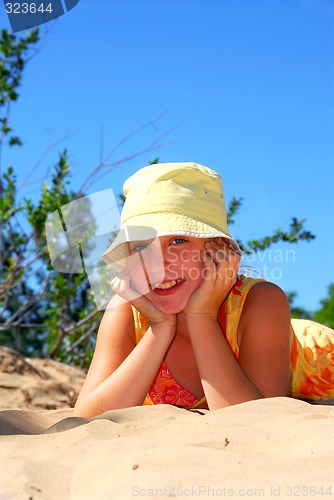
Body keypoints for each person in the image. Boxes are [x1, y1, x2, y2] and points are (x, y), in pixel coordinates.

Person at [74, 162, 334, 417]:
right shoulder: (127, 311)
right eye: (142, 247)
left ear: (219, 249)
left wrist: (202, 317)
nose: (158, 262)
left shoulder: (261, 303)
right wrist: (159, 326)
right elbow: (85, 418)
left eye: (178, 240)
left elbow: (257, 424)